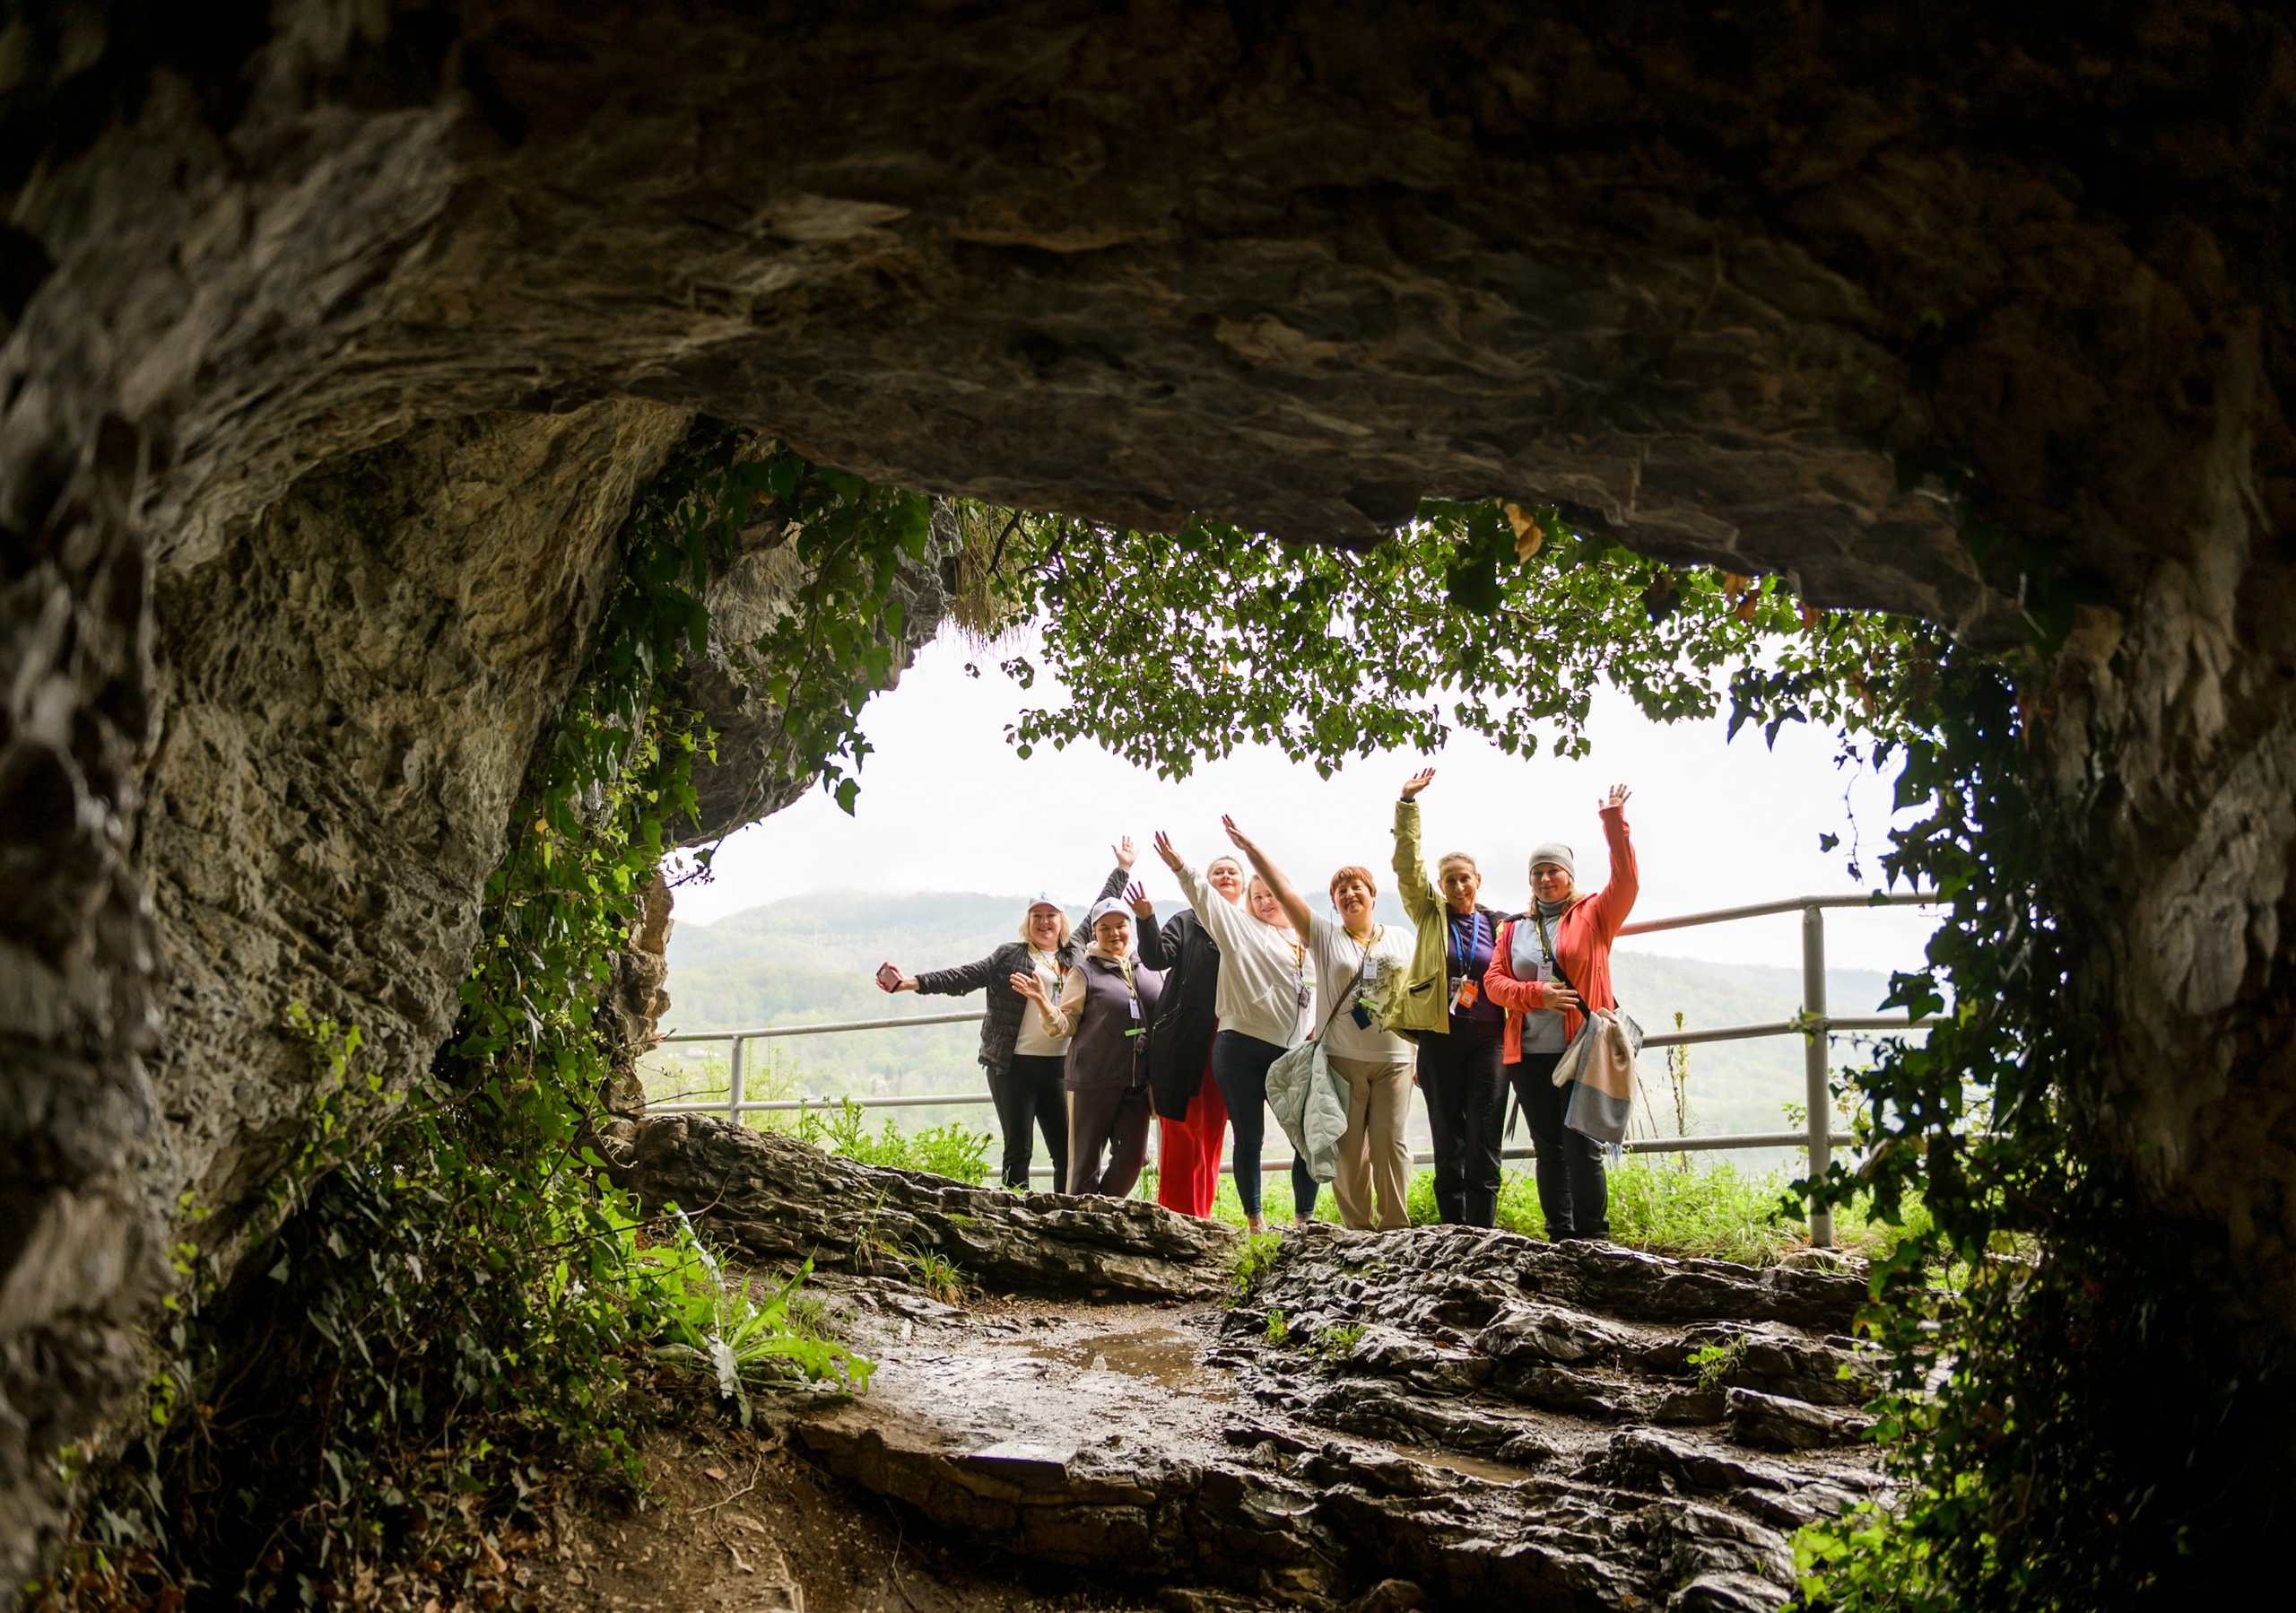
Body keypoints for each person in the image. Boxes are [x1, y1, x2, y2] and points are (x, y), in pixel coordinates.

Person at [879, 843, 1134, 1190]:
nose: (1044, 922)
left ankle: (1062, 1218)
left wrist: (1122, 869)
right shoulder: (1009, 956)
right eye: (1037, 916)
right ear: (1028, 923)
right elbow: (965, 976)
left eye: (1051, 916)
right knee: (1019, 1150)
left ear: (1061, 922)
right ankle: (1016, 1223)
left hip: (1060, 1065)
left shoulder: (1074, 952)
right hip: (1012, 1066)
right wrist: (913, 982)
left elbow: (1098, 911)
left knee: (1065, 1152)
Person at [1222, 815, 1418, 1232]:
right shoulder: (1326, 936)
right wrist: (1251, 850)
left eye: (1356, 888)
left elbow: (1419, 997)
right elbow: (1285, 892)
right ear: (1334, 902)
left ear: (1372, 895)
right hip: (1342, 1060)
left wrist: (1423, 1051)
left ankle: (1397, 1233)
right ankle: (1358, 1234)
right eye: (1340, 891)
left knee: (1390, 1147)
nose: (1349, 894)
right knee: (1348, 1152)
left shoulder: (1402, 938)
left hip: (1395, 1059)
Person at [1481, 785, 1638, 1241]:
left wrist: (1614, 821)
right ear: (1530, 881)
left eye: (1554, 871)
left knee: (1581, 1145)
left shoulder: (1595, 914)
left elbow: (1626, 880)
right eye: (1538, 873)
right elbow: (1494, 984)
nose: (1546, 879)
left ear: (1569, 876)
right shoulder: (1512, 928)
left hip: (1581, 1050)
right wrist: (1537, 995)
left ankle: (1593, 1239)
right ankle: (1560, 1237)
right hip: (1527, 1055)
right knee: (1548, 1149)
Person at [1153, 830, 1311, 1234]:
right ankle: (1239, 1222)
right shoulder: (1232, 927)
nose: (1264, 901)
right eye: (1257, 897)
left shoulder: (1304, 940)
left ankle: (1302, 1221)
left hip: (1288, 1048)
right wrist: (1180, 867)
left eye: (1268, 894)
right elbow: (1196, 906)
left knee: (1302, 1134)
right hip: (1220, 1042)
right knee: (1235, 1136)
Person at [1389, 768, 1512, 1226]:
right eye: (1450, 880)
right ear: (1440, 886)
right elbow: (1407, 865)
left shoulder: (1501, 924)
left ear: (1478, 880)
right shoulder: (1428, 914)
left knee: (1484, 1132)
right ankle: (1453, 1229)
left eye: (1465, 879)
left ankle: (1483, 1228)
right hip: (1440, 1038)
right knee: (1448, 1133)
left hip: (1489, 1040)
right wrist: (1407, 805)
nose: (1458, 887)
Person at [1013, 898, 1164, 1197]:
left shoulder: (1150, 967)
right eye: (1105, 928)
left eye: (1120, 925)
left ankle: (1099, 1216)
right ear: (1095, 932)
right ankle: (1077, 1230)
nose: (1114, 933)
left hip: (1137, 1083)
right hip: (1092, 1081)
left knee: (1133, 1159)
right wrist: (1044, 1002)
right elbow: (1065, 1025)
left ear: (1130, 927)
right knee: (1083, 1166)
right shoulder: (1084, 973)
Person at [1128, 859, 1242, 1219]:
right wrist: (1147, 920)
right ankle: (1177, 1218)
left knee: (1210, 1135)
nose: (1225, 876)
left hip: (1229, 1040)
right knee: (1182, 1132)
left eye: (1232, 872)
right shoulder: (1188, 920)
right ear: (1203, 884)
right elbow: (1155, 956)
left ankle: (1201, 1217)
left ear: (1242, 886)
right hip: (1183, 1041)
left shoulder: (1247, 926)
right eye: (1217, 872)